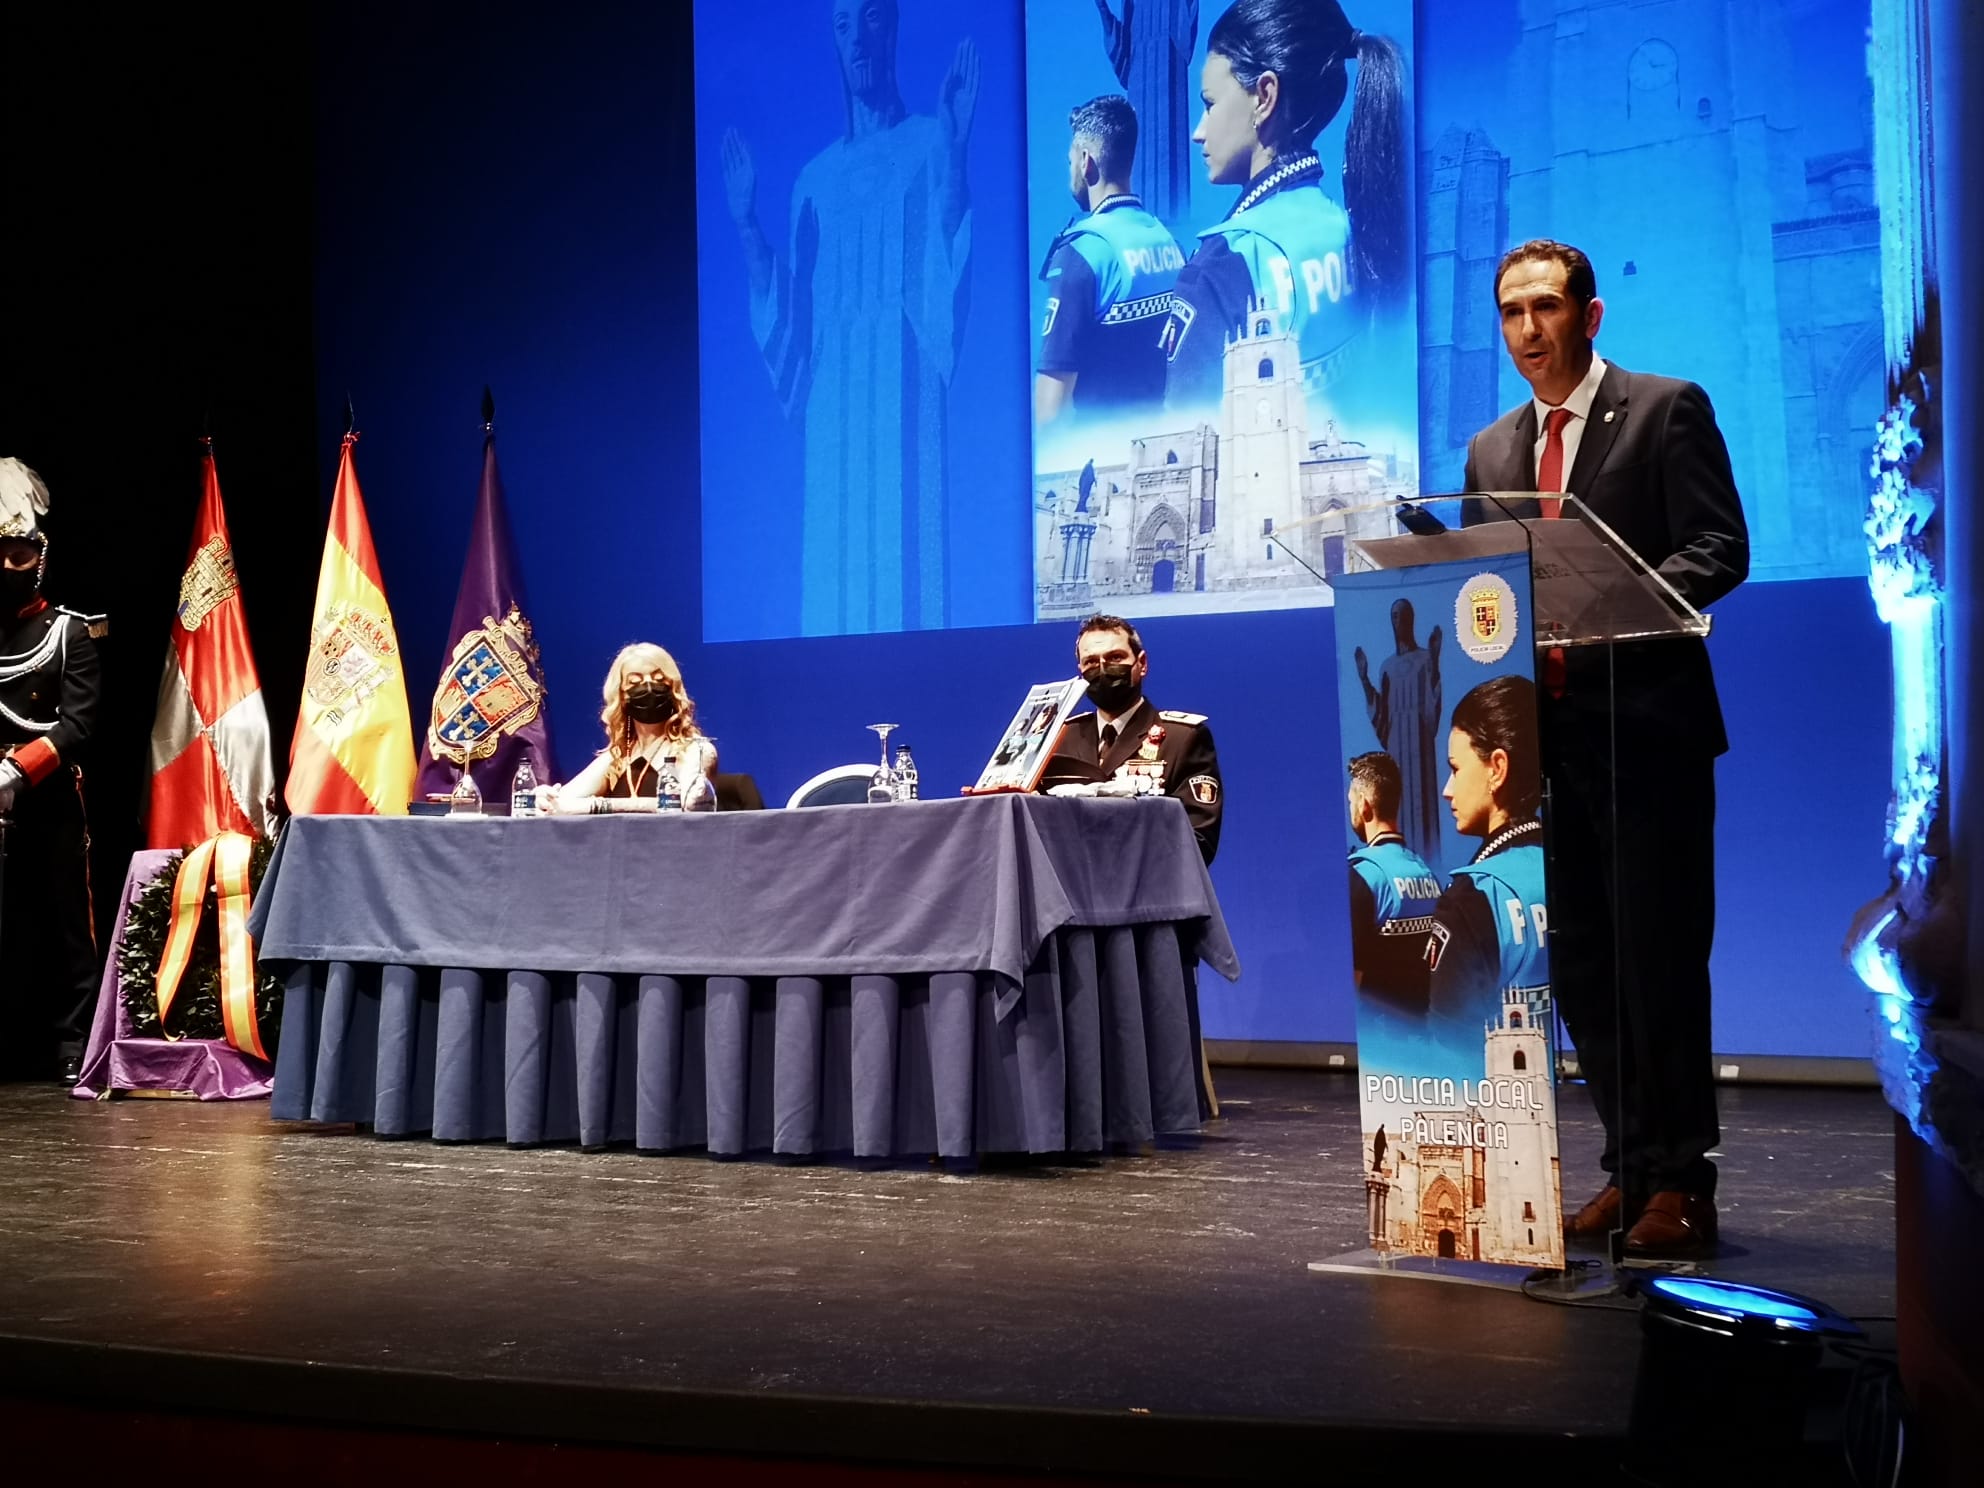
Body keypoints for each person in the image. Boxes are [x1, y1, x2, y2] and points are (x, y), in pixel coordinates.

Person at [1462, 239, 1750, 1257]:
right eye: (1508, 312)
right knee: (1580, 964)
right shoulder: (1492, 451)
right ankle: (1627, 1169)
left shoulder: (1666, 409)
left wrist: (1609, 606)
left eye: (1543, 309)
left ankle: (1683, 1182)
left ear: (1587, 318)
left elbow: (1718, 548)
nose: (1525, 331)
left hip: (1649, 733)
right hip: (1547, 745)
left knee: (1659, 958)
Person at [720, 0, 978, 634]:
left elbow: (948, 264)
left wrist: (953, 156)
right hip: (834, 420)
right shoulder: (814, 180)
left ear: (892, 29)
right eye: (842, 27)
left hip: (904, 403)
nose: (858, 40)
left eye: (870, 20)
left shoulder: (926, 142)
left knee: (907, 572)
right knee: (833, 587)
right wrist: (747, 223)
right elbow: (791, 331)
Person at [1159, 0, 1408, 409]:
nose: (1198, 132)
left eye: (1209, 104)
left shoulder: (1224, 263)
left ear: (1264, 96)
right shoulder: (1346, 226)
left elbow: (1186, 437)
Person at [0, 457, 103, 1084]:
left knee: (65, 921)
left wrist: (17, 771)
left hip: (50, 801)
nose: (5, 567)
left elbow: (80, 723)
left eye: (16, 553)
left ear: (37, 553)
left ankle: (73, 1041)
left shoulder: (70, 633)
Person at [1036, 95, 1184, 426]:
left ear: (1086, 161)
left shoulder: (1081, 255)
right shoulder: (1170, 243)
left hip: (1103, 456)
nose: (1070, 170)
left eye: (1070, 161)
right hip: (1160, 440)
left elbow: (1049, 411)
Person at [1424, 677, 1550, 1043]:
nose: (1447, 790)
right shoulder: (1571, 868)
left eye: (1456, 768)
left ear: (1497, 768)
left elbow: (1449, 1045)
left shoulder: (1471, 899)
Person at [1046, 613, 1222, 864]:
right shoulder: (1059, 739)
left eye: (1115, 657)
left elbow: (1198, 840)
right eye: (1091, 662)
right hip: (1070, 897)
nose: (1103, 669)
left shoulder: (1182, 738)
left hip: (1150, 895)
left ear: (1142, 663)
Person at [551, 643, 717, 814]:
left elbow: (687, 805)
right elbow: (561, 803)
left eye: (659, 680)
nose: (648, 687)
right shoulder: (618, 756)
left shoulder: (696, 750)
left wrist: (601, 806)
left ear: (674, 688)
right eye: (635, 682)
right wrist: (543, 797)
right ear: (621, 696)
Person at [1345, 751, 1441, 1009]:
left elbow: (1353, 980)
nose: (1351, 809)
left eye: (1351, 801)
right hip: (1423, 1032)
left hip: (1380, 1038)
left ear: (1364, 804)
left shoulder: (1360, 876)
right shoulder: (1427, 874)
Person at [1091, 0, 1201, 223]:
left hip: (1170, 62)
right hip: (1140, 74)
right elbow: (1123, 50)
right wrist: (1103, 9)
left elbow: (1185, 25)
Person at [1353, 598, 1443, 865]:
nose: (1398, 621)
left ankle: (1428, 863)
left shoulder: (1425, 657)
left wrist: (1436, 662)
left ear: (1410, 619)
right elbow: (1381, 714)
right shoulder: (1387, 667)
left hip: (1420, 743)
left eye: (1402, 616)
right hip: (1397, 747)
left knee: (1422, 805)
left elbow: (1433, 701)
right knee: (1398, 804)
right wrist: (1364, 679)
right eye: (1394, 616)